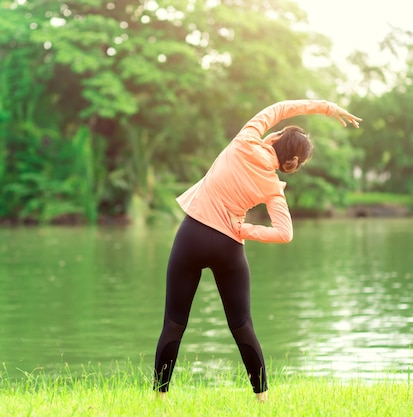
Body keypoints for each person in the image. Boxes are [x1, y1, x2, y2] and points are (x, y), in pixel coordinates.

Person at [153, 99, 362, 402]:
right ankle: (262, 400)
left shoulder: (246, 138)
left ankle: (159, 400)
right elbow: (284, 233)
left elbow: (283, 108)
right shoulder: (272, 186)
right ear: (292, 164)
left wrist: (328, 108)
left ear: (275, 137)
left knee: (174, 323)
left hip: (192, 236)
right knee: (242, 326)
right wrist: (245, 230)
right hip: (229, 246)